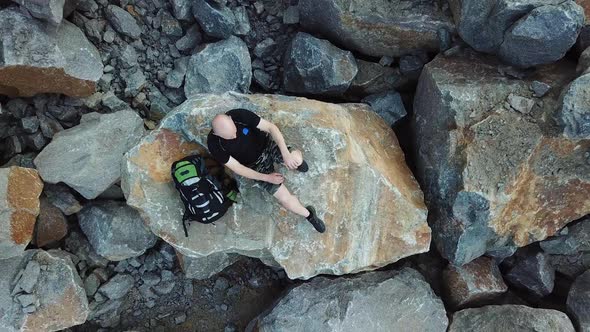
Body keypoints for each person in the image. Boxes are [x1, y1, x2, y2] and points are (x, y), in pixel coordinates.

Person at [207, 108, 326, 233]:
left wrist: (285, 154)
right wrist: (267, 177)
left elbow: (271, 127)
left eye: (234, 131)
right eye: (229, 137)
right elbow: (238, 168)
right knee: (284, 198)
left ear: (231, 119)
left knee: (295, 159)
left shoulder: (238, 115)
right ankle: (309, 215)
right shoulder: (215, 144)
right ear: (217, 135)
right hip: (254, 165)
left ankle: (297, 162)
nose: (234, 136)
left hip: (267, 144)